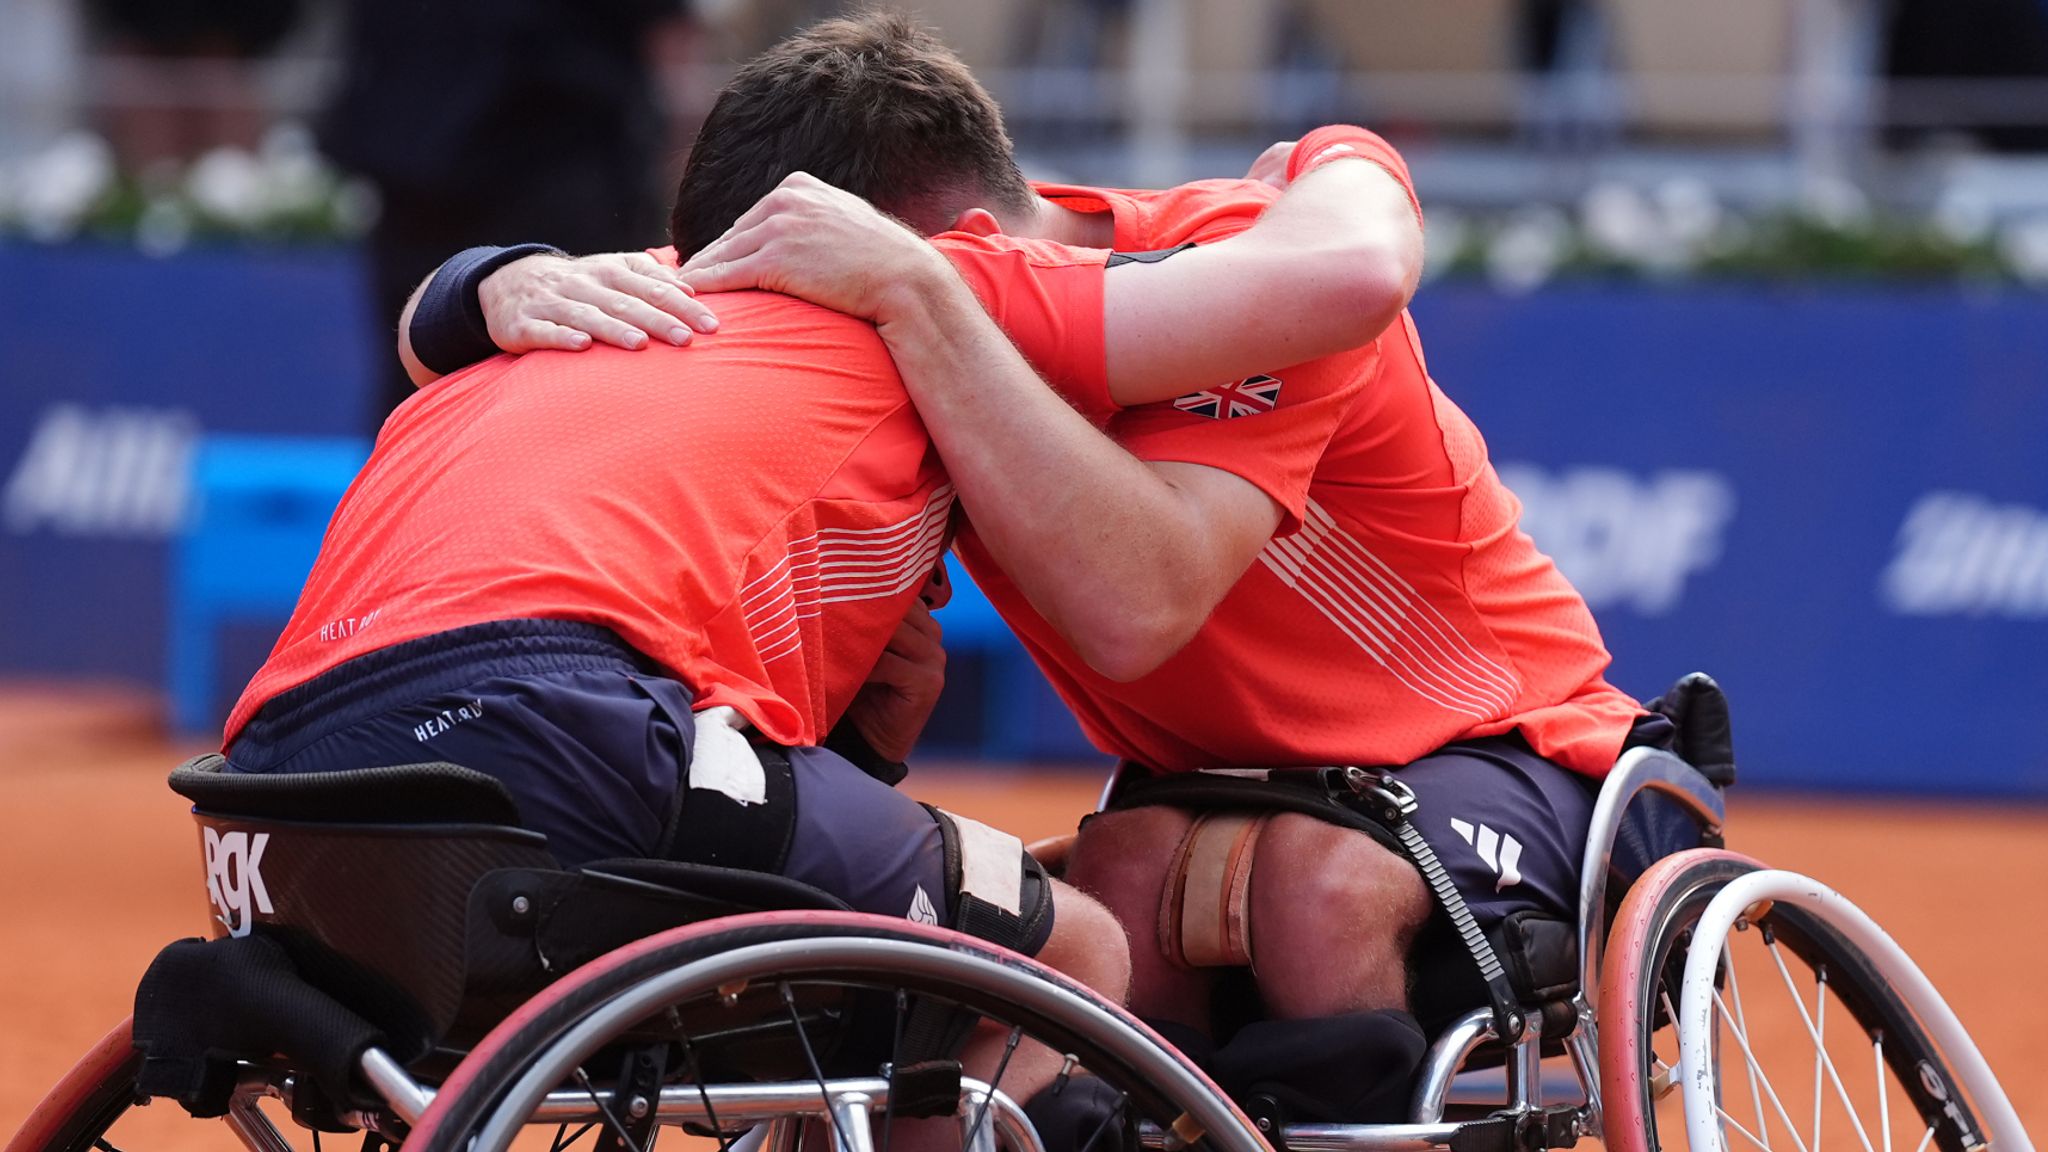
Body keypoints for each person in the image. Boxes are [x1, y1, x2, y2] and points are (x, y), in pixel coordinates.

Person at [403, 12, 1687, 1123]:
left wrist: (919, 302)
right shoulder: (870, 311)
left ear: (938, 245)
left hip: (1520, 747)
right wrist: (494, 287)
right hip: (1212, 792)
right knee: (1099, 896)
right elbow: (476, 324)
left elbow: (1138, 606)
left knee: (1312, 885)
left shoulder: (1238, 278)